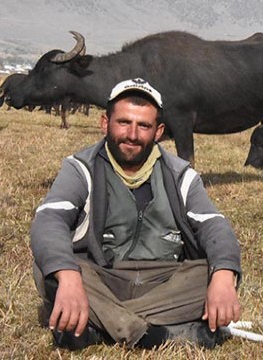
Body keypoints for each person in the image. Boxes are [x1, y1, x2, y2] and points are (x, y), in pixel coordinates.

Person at [30, 78, 242, 350]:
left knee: (216, 273)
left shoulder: (181, 175)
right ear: (105, 123)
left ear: (158, 131)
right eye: (123, 122)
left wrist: (223, 275)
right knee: (49, 270)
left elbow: (215, 226)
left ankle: (102, 327)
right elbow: (49, 220)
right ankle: (157, 334)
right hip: (102, 278)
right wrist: (70, 279)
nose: (132, 134)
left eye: (143, 126)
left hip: (165, 283)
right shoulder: (80, 168)